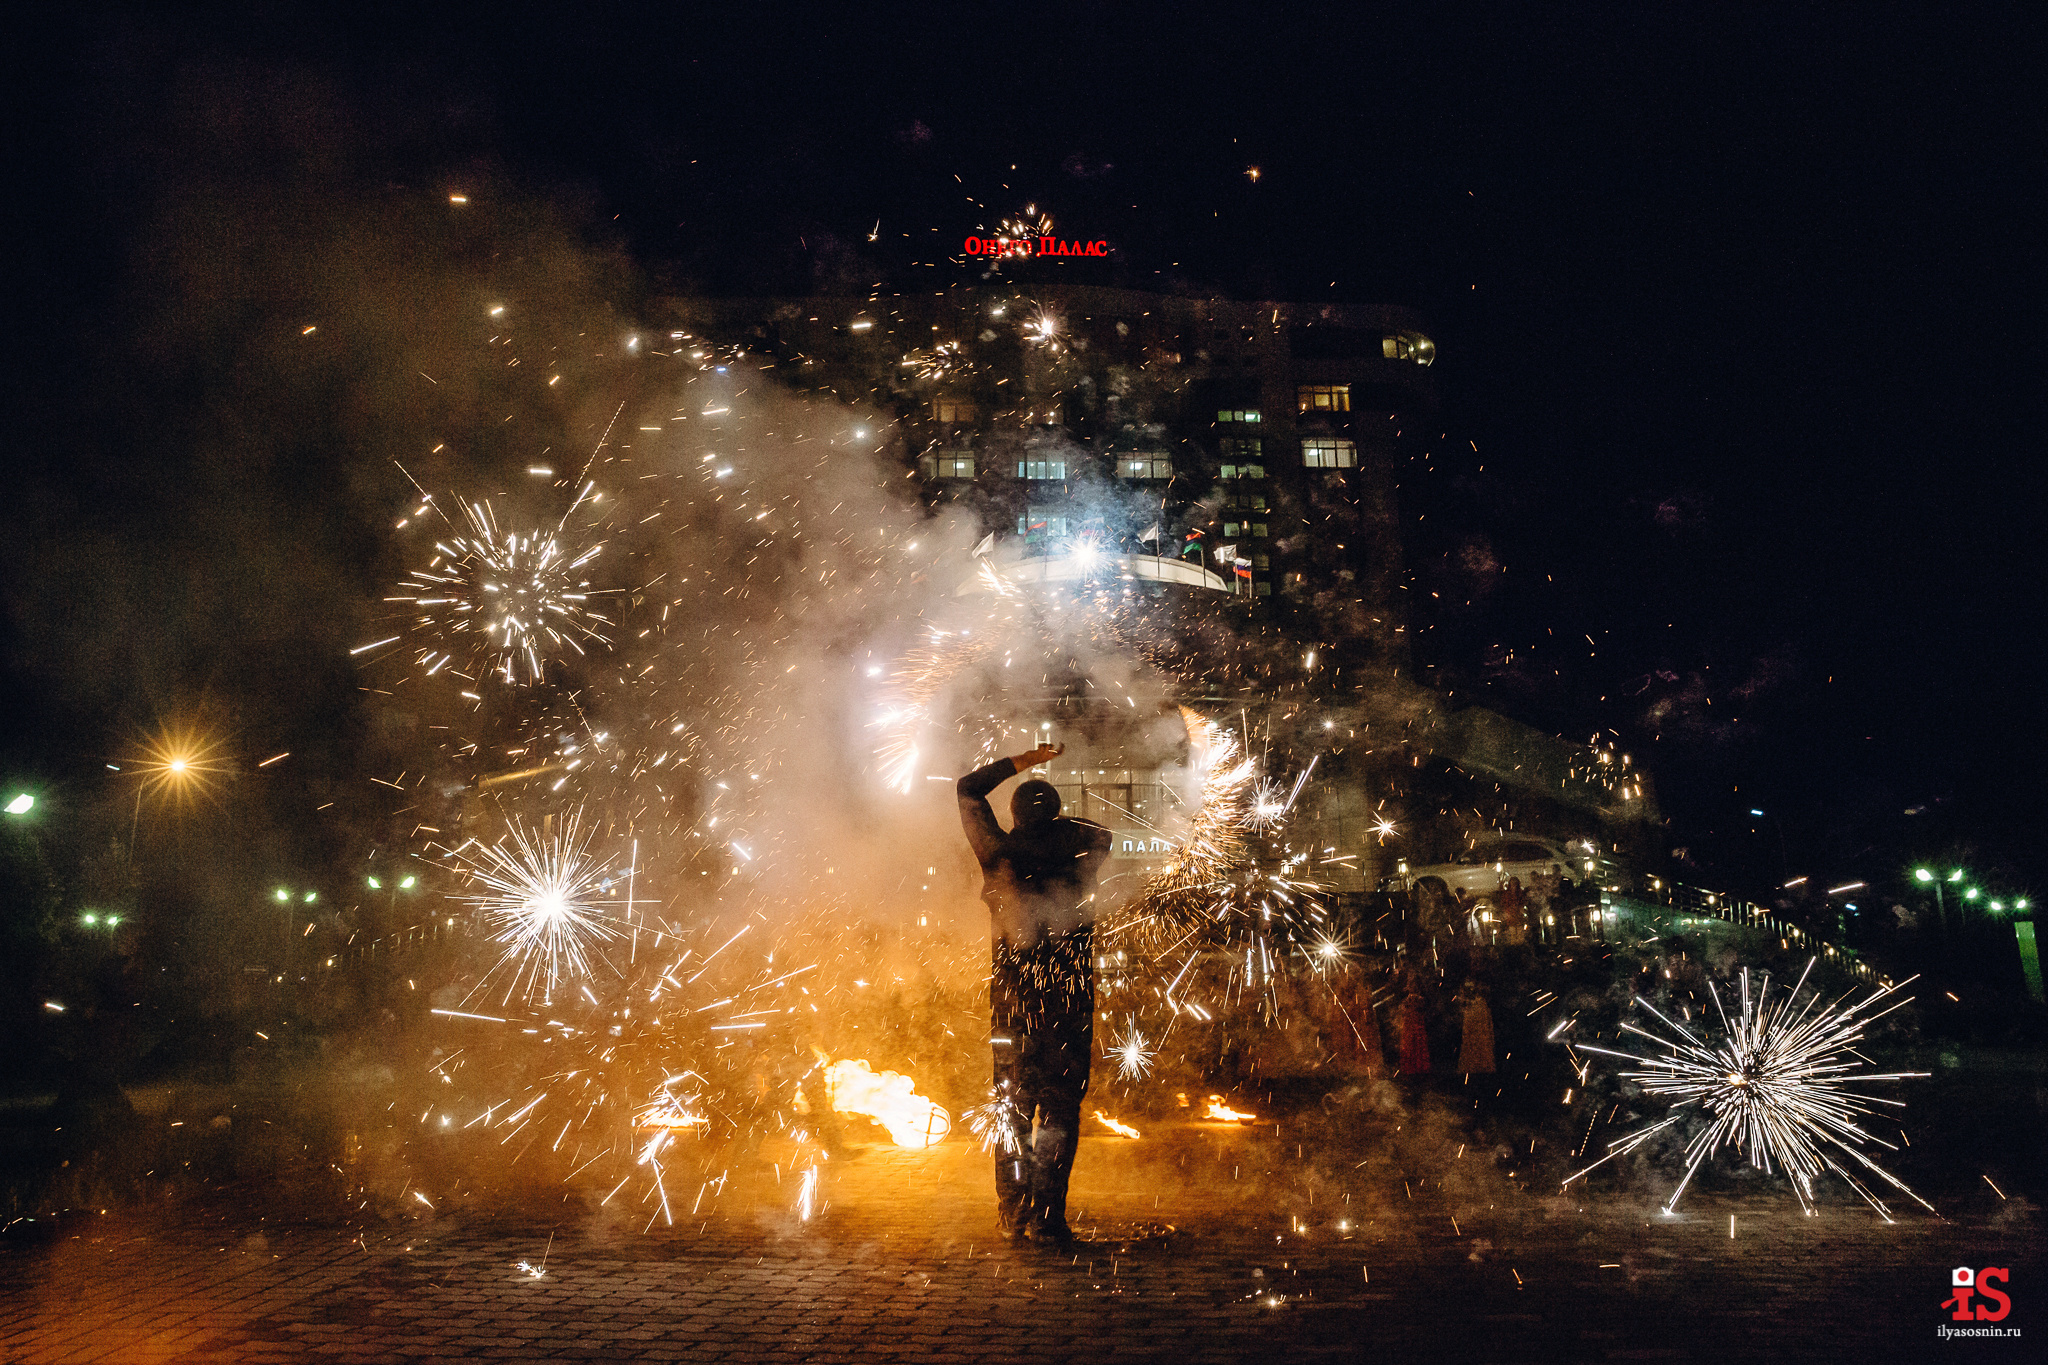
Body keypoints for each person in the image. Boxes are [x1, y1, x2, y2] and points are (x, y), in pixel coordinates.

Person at [957, 741, 1112, 1247]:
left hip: (1012, 1005)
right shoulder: (1082, 857)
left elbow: (967, 788)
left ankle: (1012, 1215)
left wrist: (1022, 761)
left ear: (1016, 816)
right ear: (1059, 817)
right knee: (1061, 1111)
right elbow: (1102, 832)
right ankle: (1048, 1219)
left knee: (1012, 1107)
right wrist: (1057, 828)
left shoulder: (999, 854)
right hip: (1068, 1003)